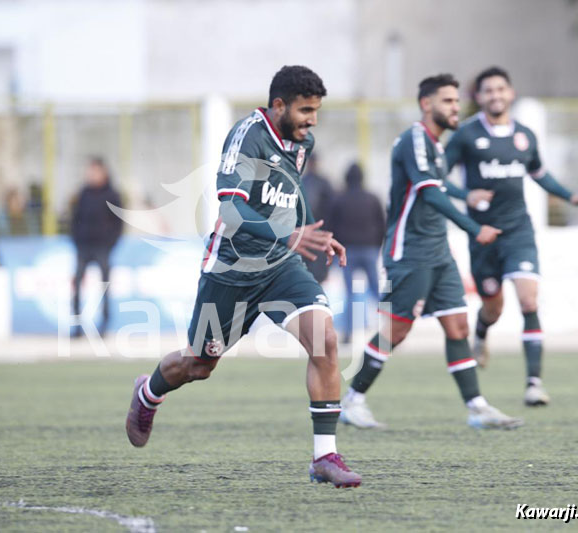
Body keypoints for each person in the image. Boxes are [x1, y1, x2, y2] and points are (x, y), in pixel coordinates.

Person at [125, 66, 362, 488]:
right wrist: (288, 232)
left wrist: (315, 232)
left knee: (324, 340)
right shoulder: (247, 136)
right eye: (306, 110)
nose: (312, 120)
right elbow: (230, 211)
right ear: (279, 105)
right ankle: (149, 392)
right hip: (232, 269)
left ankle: (324, 456)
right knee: (198, 364)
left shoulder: (302, 141)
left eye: (317, 111)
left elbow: (290, 191)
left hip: (281, 266)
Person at [339, 74, 523, 430]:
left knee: (456, 325)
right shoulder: (415, 139)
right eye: (448, 101)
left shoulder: (436, 146)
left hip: (438, 251)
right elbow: (429, 193)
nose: (456, 107)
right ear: (427, 104)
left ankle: (477, 407)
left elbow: (439, 185)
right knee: (396, 330)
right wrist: (473, 226)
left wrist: (464, 194)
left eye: (456, 101)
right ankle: (353, 401)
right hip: (410, 250)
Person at [444, 67, 578, 405]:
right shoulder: (466, 136)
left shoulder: (524, 136)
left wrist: (571, 196)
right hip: (482, 235)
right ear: (478, 97)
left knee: (528, 300)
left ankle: (533, 383)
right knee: (493, 307)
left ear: (510, 93)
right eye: (488, 91)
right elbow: (437, 176)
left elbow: (540, 173)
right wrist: (465, 195)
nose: (495, 96)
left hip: (518, 231)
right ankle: (482, 333)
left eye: (501, 89)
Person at [330, 162, 385, 343]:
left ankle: (348, 333)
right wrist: (377, 247)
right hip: (369, 249)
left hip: (347, 251)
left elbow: (332, 227)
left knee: (350, 293)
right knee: (376, 291)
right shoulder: (372, 198)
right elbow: (382, 225)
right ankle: (388, 330)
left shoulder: (339, 199)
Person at [70, 158, 123, 337]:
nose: (91, 175)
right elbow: (74, 219)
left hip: (103, 247)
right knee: (76, 285)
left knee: (105, 286)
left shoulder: (112, 195)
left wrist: (110, 243)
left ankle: (105, 325)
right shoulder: (83, 193)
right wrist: (76, 240)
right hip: (83, 247)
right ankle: (77, 325)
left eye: (94, 171)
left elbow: (119, 222)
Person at [300, 153, 334, 283]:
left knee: (315, 270)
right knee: (313, 270)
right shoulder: (305, 181)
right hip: (311, 232)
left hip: (314, 232)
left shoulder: (305, 181)